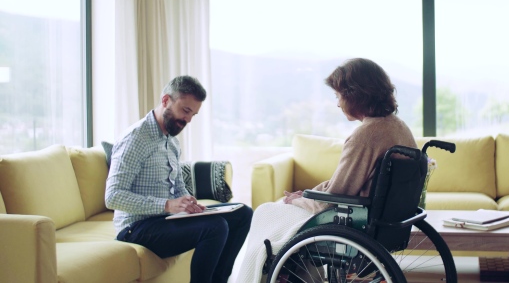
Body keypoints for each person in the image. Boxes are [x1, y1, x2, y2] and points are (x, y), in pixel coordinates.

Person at [237, 58, 417, 282]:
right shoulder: (398, 127)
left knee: (266, 211)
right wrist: (306, 194)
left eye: (338, 95)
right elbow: (344, 184)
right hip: (384, 219)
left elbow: (335, 196)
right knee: (283, 208)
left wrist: (300, 199)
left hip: (353, 219)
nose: (338, 103)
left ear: (355, 94)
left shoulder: (367, 134)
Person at [105, 75, 253, 283]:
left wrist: (188, 202)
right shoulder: (135, 139)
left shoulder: (171, 142)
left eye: (193, 114)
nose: (188, 120)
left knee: (243, 214)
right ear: (166, 100)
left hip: (165, 221)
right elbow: (113, 197)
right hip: (136, 228)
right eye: (185, 111)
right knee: (215, 227)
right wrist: (167, 205)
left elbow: (178, 186)